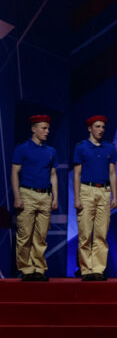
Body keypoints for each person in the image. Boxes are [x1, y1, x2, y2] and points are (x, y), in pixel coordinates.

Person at [12, 115, 58, 281]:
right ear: (34, 129)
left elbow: (53, 174)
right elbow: (15, 173)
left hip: (45, 195)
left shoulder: (51, 151)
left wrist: (55, 197)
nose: (47, 131)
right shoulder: (22, 149)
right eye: (44, 128)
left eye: (48, 128)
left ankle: (39, 269)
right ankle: (26, 269)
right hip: (27, 193)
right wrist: (17, 196)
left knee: (41, 236)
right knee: (25, 235)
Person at [73, 115, 117, 281]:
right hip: (86, 191)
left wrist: (115, 196)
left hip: (104, 192)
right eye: (97, 126)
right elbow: (76, 174)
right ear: (89, 128)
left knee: (101, 233)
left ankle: (98, 269)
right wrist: (77, 198)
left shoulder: (110, 148)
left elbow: (112, 173)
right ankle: (86, 270)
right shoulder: (81, 147)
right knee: (85, 234)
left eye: (103, 127)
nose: (101, 130)